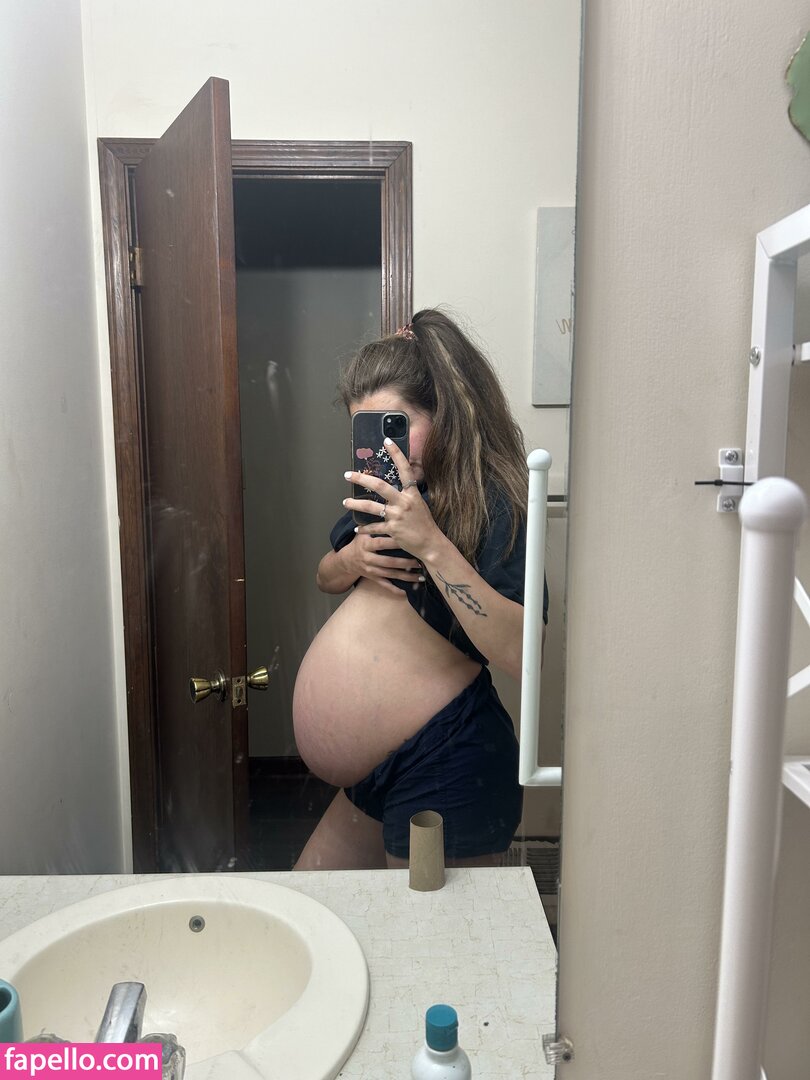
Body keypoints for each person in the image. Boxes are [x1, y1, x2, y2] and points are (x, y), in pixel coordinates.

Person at [292, 308, 548, 870]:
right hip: (378, 769)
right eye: (369, 430)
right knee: (312, 897)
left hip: (448, 758)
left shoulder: (492, 502)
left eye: (397, 426)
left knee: (425, 928)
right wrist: (352, 559)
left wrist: (429, 542)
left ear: (446, 415)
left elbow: (524, 652)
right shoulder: (384, 500)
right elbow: (324, 578)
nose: (387, 450)